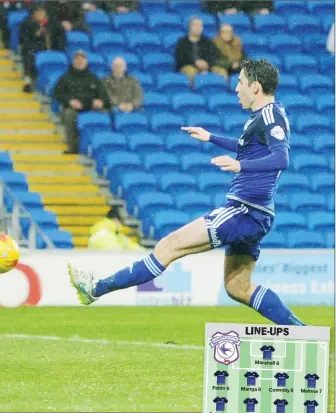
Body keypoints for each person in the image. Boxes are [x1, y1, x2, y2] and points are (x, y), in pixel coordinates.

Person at [68, 58, 306, 327]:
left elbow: (281, 158)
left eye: (240, 82)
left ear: (255, 86)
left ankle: (96, 288)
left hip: (244, 210)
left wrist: (241, 165)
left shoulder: (269, 116)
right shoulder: (266, 115)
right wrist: (211, 137)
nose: (236, 88)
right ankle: (305, 334)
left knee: (168, 246)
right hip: (257, 214)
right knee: (237, 287)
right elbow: (246, 145)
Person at [53, 49, 110, 154]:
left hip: (91, 108)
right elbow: (57, 94)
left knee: (106, 114)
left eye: (82, 58)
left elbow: (104, 97)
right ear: (73, 61)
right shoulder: (65, 77)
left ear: (86, 61)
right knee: (70, 115)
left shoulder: (94, 78)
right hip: (73, 108)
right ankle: (73, 148)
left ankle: (102, 149)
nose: (80, 61)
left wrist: (100, 102)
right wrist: (70, 101)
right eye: (77, 58)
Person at [175, 17, 228, 81]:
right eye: (196, 25)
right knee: (191, 71)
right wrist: (195, 62)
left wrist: (207, 64)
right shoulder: (182, 42)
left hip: (208, 67)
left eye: (200, 26)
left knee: (222, 71)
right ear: (190, 27)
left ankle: (223, 90)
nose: (199, 28)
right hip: (189, 66)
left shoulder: (208, 41)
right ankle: (193, 90)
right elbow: (180, 59)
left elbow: (214, 55)